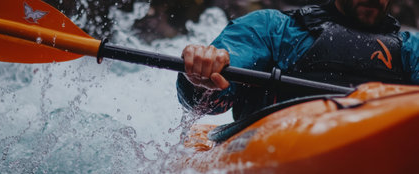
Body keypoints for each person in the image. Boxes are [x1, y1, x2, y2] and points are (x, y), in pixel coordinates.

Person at [176, 0, 419, 121]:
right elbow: (211, 98)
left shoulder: (411, 49)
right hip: (276, 143)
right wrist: (203, 74)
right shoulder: (274, 28)